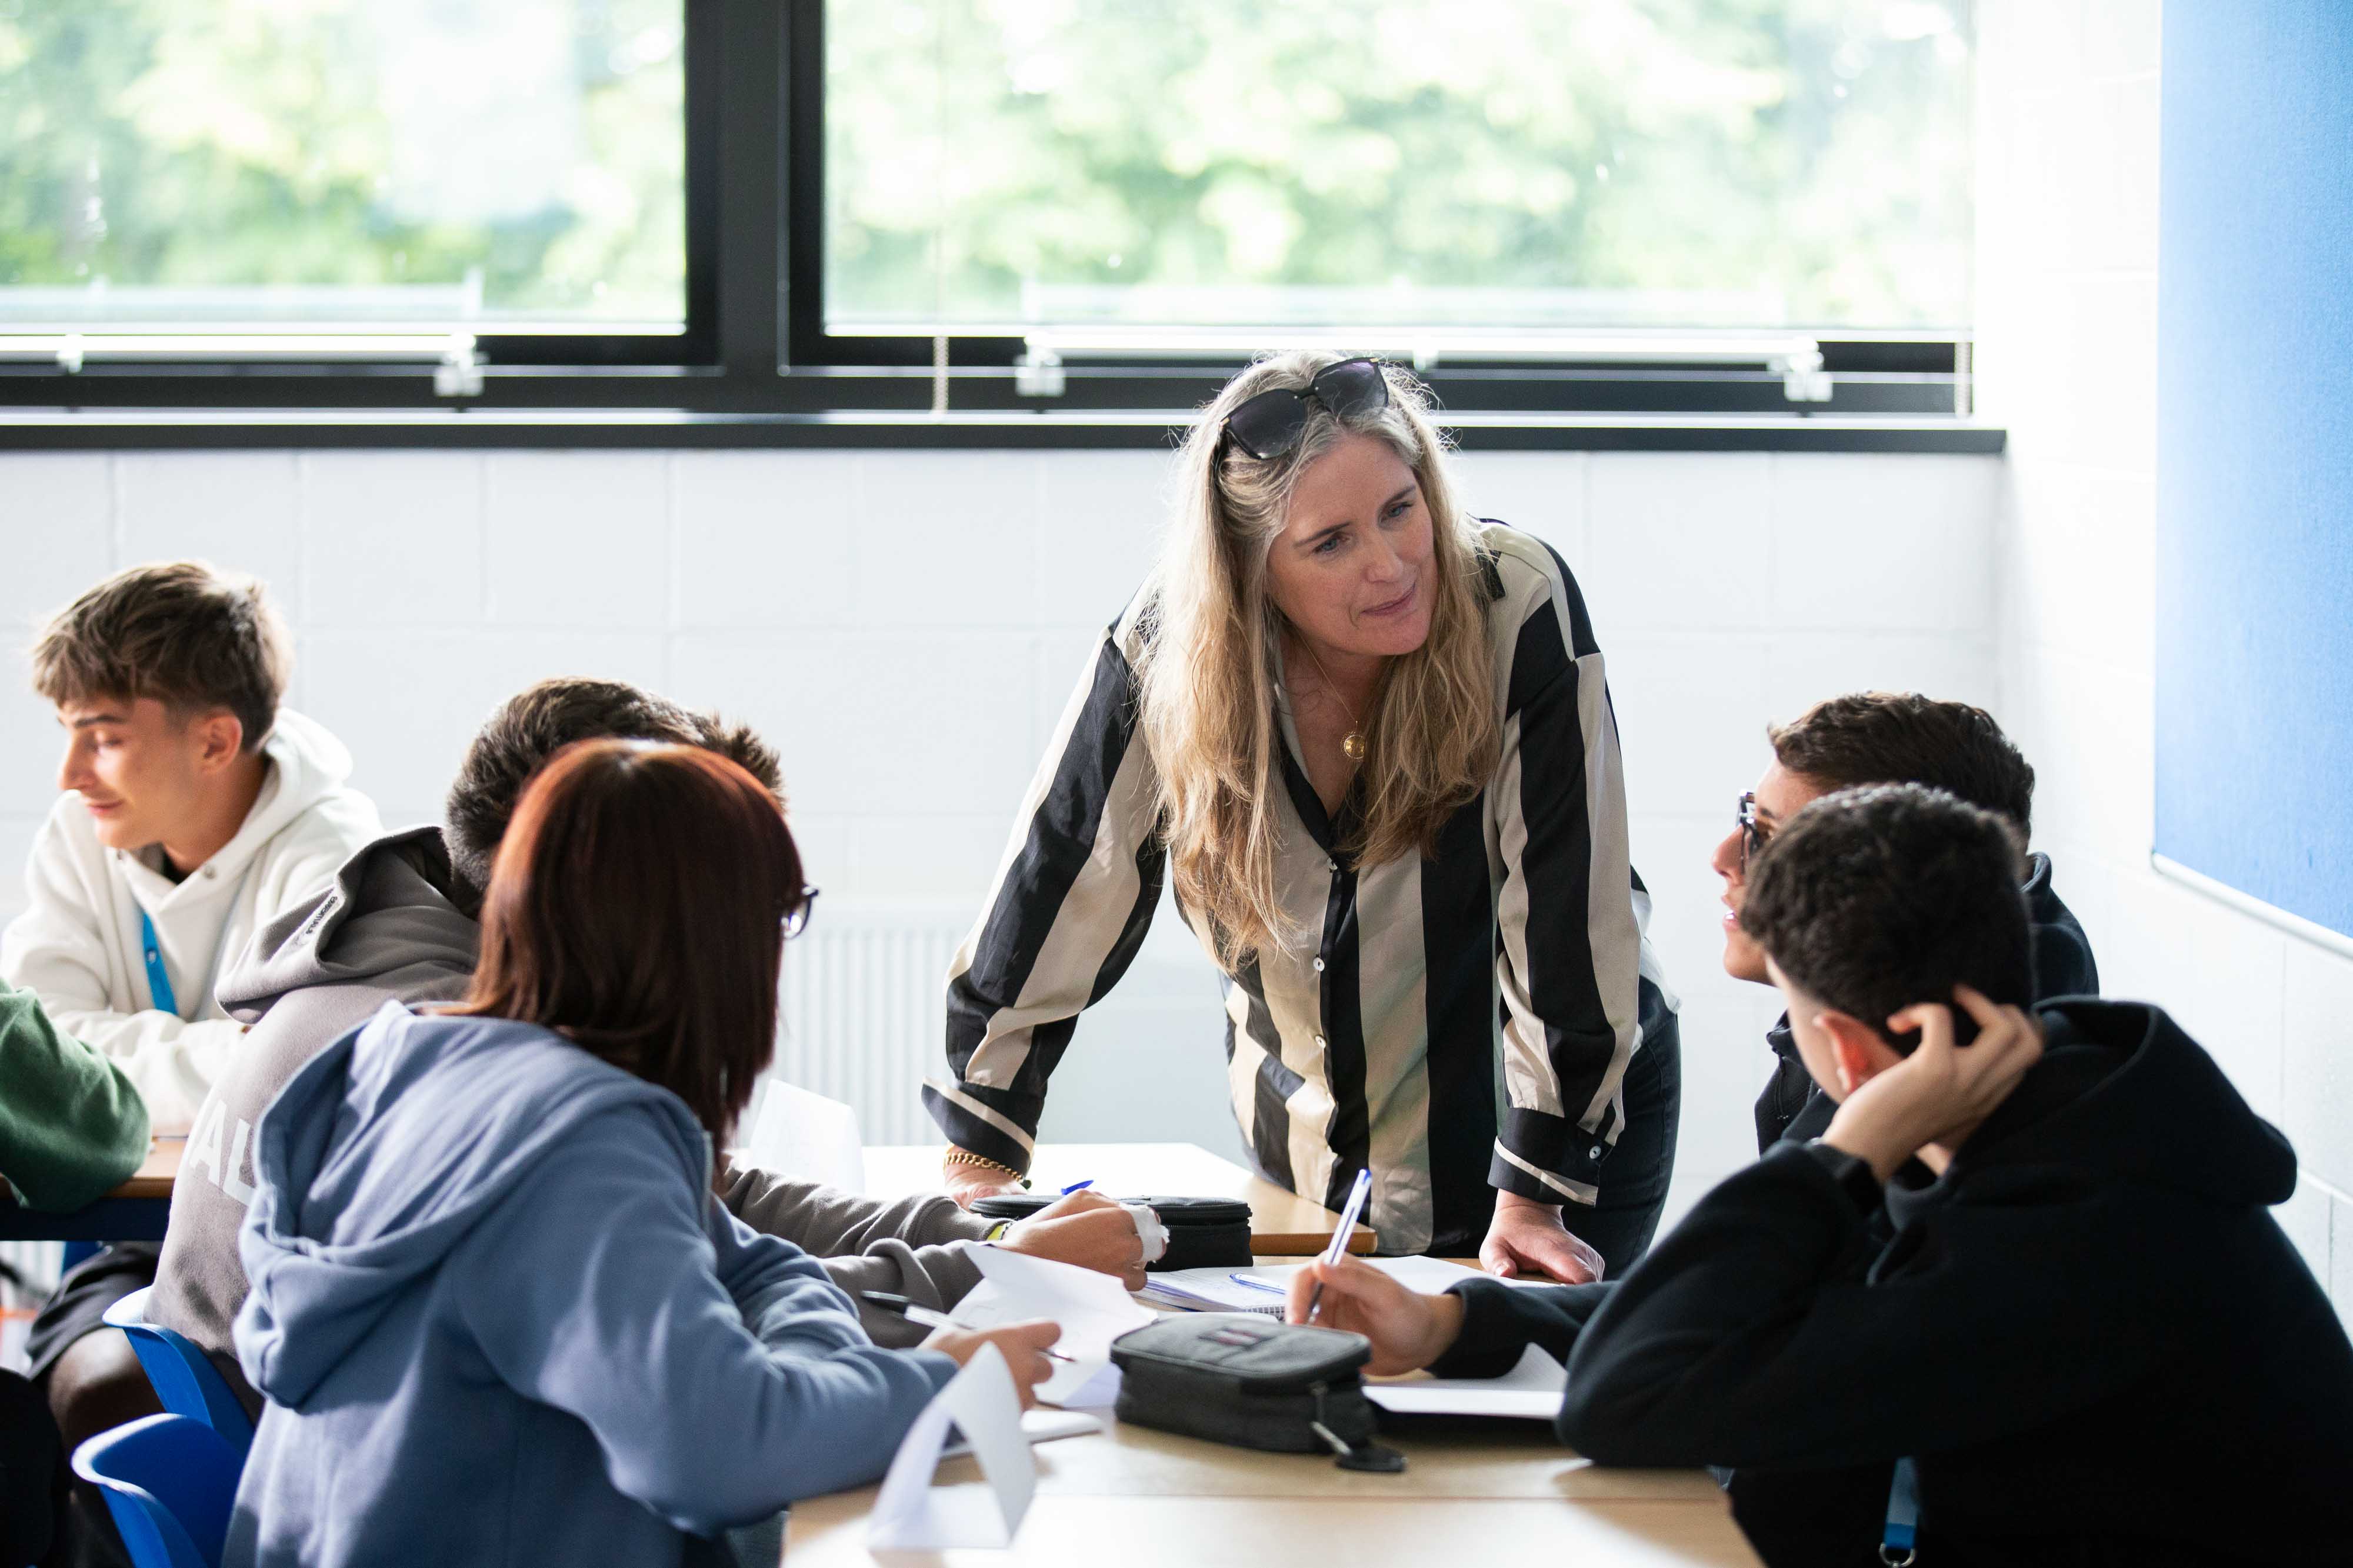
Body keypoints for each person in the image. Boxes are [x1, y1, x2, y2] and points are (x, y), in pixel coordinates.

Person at [1287, 785, 2353, 1566]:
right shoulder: (2065, 1107)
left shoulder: (2068, 1238)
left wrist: (1847, 1148)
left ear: (1843, 1048)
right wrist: (1460, 1320)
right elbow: (1765, 1319)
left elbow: (1631, 1392)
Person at [151, 678, 1148, 1416]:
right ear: (609, 886)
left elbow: (707, 1219)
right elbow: (690, 1349)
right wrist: (983, 1284)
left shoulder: (401, 987)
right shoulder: (474, 1074)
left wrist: (983, 1241)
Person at [931, 351, 1678, 1282]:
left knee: (1507, 1379)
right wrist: (981, 1166)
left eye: (1401, 508)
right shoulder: (1169, 648)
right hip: (1311, 1146)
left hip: (1552, 1140)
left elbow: (1568, 913)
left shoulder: (1513, 601)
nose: (1392, 564)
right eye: (1331, 543)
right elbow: (1059, 883)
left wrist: (1532, 1191)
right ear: (1251, 569)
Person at [227, 740, 1062, 1568]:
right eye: (779, 914)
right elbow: (721, 1452)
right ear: (715, 941)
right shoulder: (577, 1143)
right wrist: (946, 1385)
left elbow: (758, 1268)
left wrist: (805, 1362)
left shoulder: (403, 1062)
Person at [0, 561, 380, 1518]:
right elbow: (36, 1053)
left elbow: (296, 1073)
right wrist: (223, 1051)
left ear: (214, 740)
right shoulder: (82, 830)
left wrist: (103, 1060)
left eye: (103, 737)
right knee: (78, 1393)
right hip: (139, 1249)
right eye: (68, 734)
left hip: (286, 1251)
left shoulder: (336, 855)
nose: (70, 773)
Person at [1717, 692, 2096, 1153]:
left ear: (1914, 873)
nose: (1723, 859)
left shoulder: (1959, 1050)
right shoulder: (1911, 973)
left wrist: (1852, 1150)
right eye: (1748, 816)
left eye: (1770, 838)